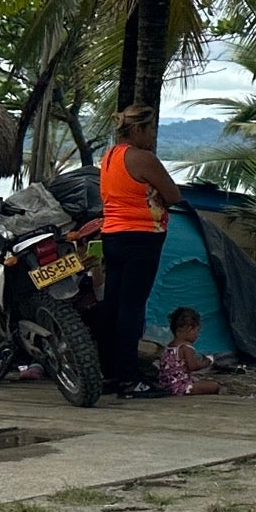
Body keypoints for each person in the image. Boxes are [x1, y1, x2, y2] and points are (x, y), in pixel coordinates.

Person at [96, 105, 182, 398]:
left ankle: (109, 373)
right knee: (133, 308)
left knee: (113, 306)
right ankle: (130, 379)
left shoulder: (109, 158)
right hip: (142, 238)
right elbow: (173, 195)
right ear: (138, 130)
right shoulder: (143, 158)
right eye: (150, 130)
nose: (152, 137)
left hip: (112, 236)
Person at [154, 306, 226, 395]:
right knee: (215, 386)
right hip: (180, 387)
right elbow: (192, 366)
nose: (197, 335)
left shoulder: (170, 346)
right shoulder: (186, 347)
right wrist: (207, 362)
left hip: (166, 385)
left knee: (198, 381)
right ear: (189, 329)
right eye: (197, 331)